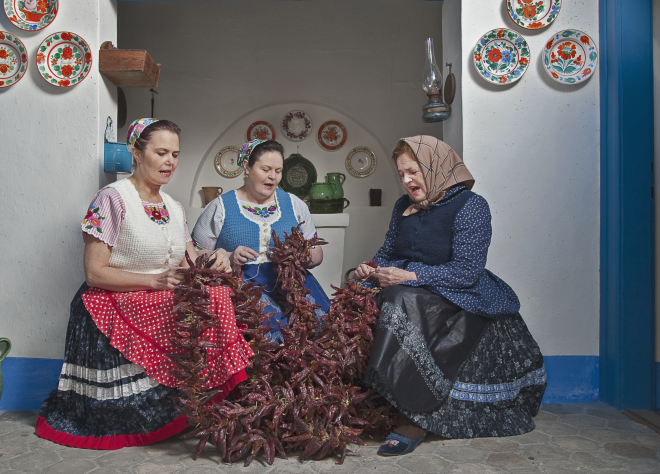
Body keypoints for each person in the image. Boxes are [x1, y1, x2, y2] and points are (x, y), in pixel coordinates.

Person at [36, 119, 253, 449]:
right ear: (136, 153)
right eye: (161, 152)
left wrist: (219, 256)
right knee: (206, 301)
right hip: (112, 300)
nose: (170, 162)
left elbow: (190, 263)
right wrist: (153, 280)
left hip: (156, 297)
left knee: (219, 293)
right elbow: (94, 273)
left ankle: (216, 401)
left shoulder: (174, 207)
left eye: (176, 154)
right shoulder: (112, 199)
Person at [354, 135, 546, 455]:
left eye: (413, 171)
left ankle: (412, 417)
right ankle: (371, 402)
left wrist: (412, 275)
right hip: (408, 285)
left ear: (436, 167)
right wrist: (370, 269)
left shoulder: (472, 206)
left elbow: (467, 271)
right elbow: (387, 253)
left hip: (455, 290)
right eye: (401, 174)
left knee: (401, 301)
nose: (407, 180)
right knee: (369, 298)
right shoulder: (403, 206)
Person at [192, 139, 331, 341]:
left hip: (290, 284)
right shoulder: (220, 206)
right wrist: (229, 257)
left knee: (318, 334)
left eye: (278, 170)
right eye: (265, 169)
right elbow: (194, 255)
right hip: (241, 287)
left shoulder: (294, 204)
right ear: (247, 167)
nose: (273, 177)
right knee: (268, 340)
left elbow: (317, 254)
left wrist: (301, 254)